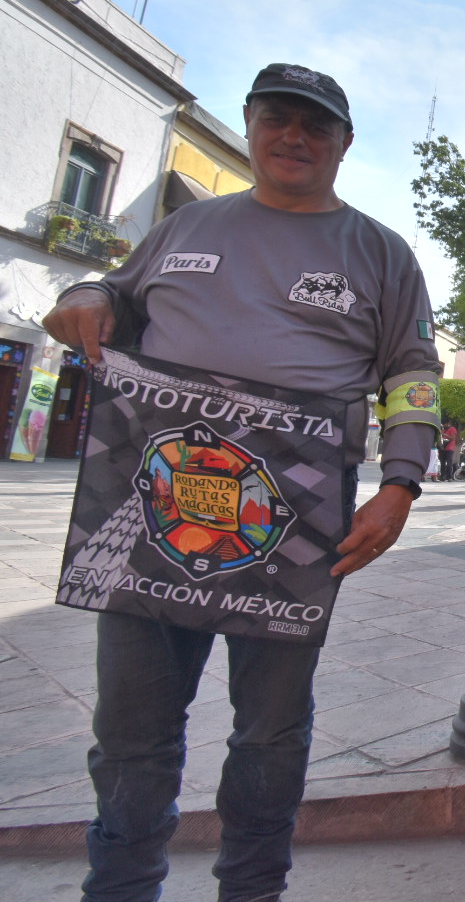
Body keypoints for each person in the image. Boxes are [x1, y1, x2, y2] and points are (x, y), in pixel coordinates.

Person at [42, 63, 441, 902]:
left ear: (345, 143)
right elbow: (110, 290)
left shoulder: (381, 253)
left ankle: (253, 891)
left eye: (316, 125)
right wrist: (83, 290)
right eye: (277, 118)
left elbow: (412, 374)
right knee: (131, 734)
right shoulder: (185, 225)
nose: (294, 137)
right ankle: (119, 887)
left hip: (293, 527)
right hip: (152, 515)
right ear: (251, 122)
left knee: (270, 734)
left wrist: (400, 484)